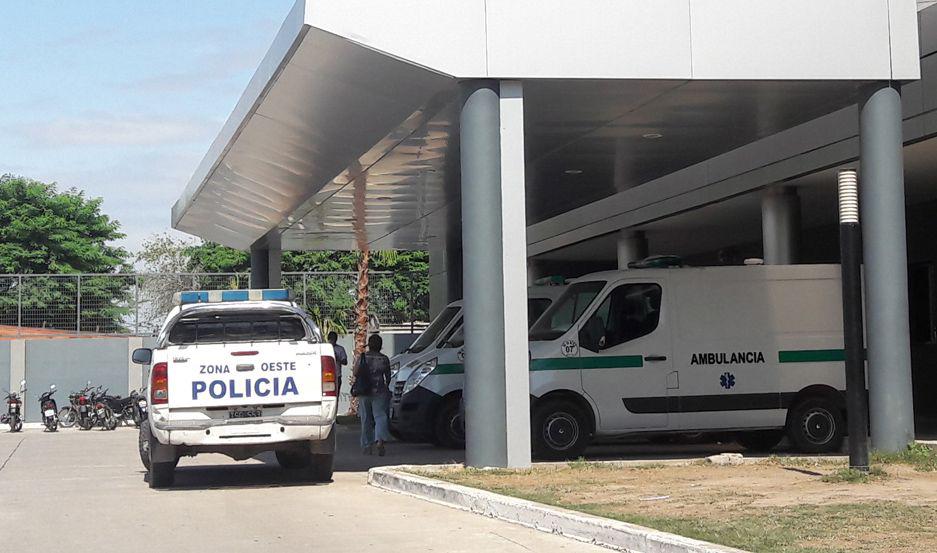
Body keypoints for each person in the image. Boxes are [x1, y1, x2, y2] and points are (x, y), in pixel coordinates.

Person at [355, 334, 392, 456]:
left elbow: (355, 372)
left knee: (365, 418)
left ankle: (367, 445)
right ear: (380, 346)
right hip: (379, 391)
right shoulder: (384, 359)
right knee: (380, 416)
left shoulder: (363, 357)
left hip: (364, 391)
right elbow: (388, 377)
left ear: (369, 345)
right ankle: (379, 440)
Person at [327, 331, 347, 397]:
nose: (332, 341)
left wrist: (337, 358)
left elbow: (345, 362)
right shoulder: (325, 348)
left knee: (336, 396)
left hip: (337, 376)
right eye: (331, 339)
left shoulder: (340, 349)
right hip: (327, 375)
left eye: (334, 339)